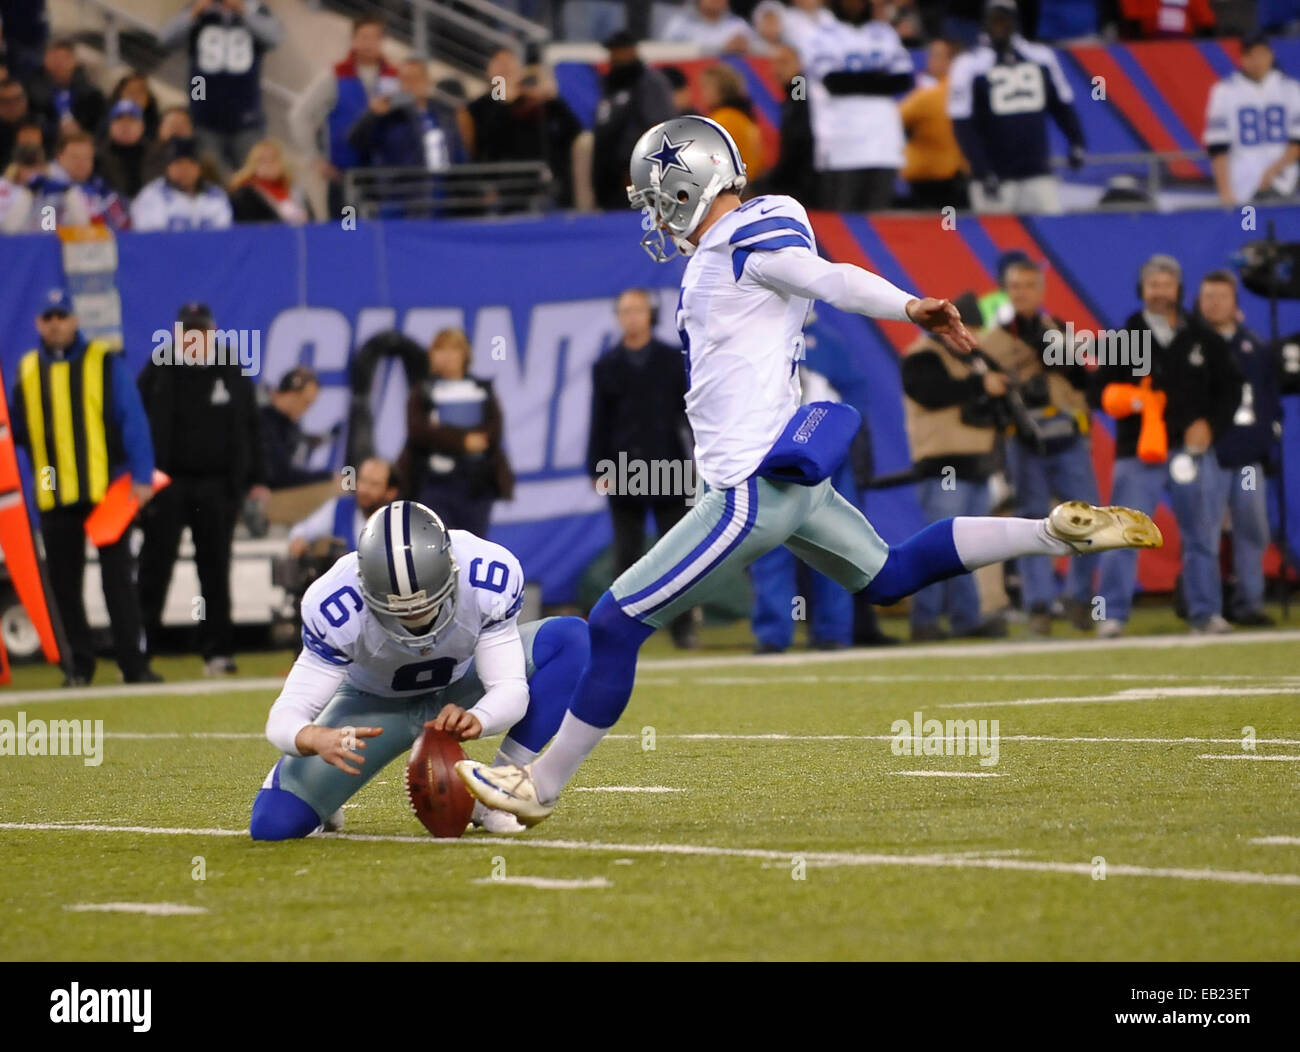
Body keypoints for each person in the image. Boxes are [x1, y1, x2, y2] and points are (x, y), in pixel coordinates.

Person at [458, 115, 1162, 826]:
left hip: (746, 492)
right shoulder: (756, 227)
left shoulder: (740, 240)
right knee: (888, 574)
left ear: (684, 188)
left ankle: (534, 786)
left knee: (612, 625)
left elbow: (826, 278)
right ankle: (1052, 533)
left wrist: (908, 305)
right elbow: (815, 274)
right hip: (793, 484)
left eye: (656, 196)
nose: (653, 213)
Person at [249, 501, 591, 839]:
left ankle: (500, 790)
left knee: (571, 640)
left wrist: (480, 717)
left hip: (461, 681)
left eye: (427, 603)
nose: (416, 618)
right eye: (398, 609)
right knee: (273, 824)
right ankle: (325, 796)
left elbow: (510, 688)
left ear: (452, 570)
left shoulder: (485, 572)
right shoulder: (335, 603)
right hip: (374, 708)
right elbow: (286, 712)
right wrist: (311, 737)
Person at [9, 289, 159, 686]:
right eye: (49, 317)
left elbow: (132, 419)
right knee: (62, 586)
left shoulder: (103, 361)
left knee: (118, 582)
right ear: (39, 323)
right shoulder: (26, 369)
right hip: (55, 497)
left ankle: (133, 664)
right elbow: (15, 433)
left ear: (75, 320)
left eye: (62, 316)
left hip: (105, 492)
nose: (56, 323)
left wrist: (142, 476)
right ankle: (77, 665)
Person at [1094, 255, 1242, 637]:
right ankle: (1111, 615)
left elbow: (1230, 389)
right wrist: (1134, 400)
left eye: (1167, 285)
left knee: (1202, 537)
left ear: (1179, 289)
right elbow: (1098, 391)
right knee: (1122, 534)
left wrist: (1211, 426)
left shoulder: (1202, 336)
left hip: (1191, 452)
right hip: (1138, 452)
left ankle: (1206, 613)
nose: (1160, 292)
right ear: (1142, 290)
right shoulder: (1126, 336)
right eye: (1153, 285)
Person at [137, 302, 268, 674]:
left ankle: (217, 651)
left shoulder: (230, 369)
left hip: (216, 487)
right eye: (188, 331)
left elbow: (250, 427)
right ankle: (140, 651)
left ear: (212, 332)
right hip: (167, 485)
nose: (195, 338)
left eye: (201, 331)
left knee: (214, 570)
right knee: (153, 568)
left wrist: (257, 479)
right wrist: (139, 477)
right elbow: (134, 425)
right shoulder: (159, 369)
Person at [980, 259, 1099, 635]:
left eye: (1029, 285)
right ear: (1006, 290)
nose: (1022, 292)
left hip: (1067, 434)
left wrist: (1056, 350)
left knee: (1088, 519)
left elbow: (1082, 379)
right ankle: (1039, 606)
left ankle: (1078, 596)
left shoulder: (1058, 329)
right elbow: (985, 401)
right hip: (1024, 440)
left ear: (1041, 289)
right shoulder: (993, 341)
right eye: (1015, 286)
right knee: (1032, 523)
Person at [587, 289, 695, 649]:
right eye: (624, 311)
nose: (631, 317)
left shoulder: (671, 360)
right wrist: (596, 467)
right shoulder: (607, 365)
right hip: (622, 468)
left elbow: (691, 416)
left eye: (637, 310)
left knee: (677, 552)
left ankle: (683, 628)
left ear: (650, 314)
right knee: (627, 556)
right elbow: (599, 421)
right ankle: (624, 631)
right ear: (618, 316)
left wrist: (698, 460)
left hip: (669, 466)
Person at [900, 310, 1006, 641]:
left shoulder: (976, 358)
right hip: (943, 466)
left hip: (978, 465)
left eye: (973, 330)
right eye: (964, 329)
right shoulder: (922, 356)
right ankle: (925, 620)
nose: (968, 337)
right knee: (940, 546)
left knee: (970, 551)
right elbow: (931, 394)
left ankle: (967, 619)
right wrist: (980, 384)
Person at [1197, 270, 1280, 626]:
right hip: (1209, 455)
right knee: (1204, 532)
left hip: (1246, 458)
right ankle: (1208, 607)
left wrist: (1267, 446)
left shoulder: (1254, 346)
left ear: (1235, 303)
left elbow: (1268, 401)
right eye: (1208, 297)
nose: (1215, 304)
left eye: (1222, 297)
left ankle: (1248, 602)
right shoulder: (1192, 344)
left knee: (1251, 529)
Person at [948, 0, 1085, 215]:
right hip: (995, 176)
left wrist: (1077, 141)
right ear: (985, 22)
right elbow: (962, 124)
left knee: (1048, 232)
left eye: (1004, 21)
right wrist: (983, 170)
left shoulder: (1041, 57)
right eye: (995, 21)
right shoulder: (969, 64)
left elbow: (1061, 105)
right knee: (999, 242)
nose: (999, 27)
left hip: (1037, 172)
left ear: (1015, 22)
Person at [794, 0, 913, 211]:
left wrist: (856, 78)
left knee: (881, 224)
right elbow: (835, 82)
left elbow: (903, 80)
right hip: (841, 144)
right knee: (842, 224)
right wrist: (878, 77)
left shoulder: (884, 32)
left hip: (884, 142)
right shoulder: (819, 33)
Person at [404, 328, 514, 538]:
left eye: (454, 349)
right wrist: (461, 441)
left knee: (474, 543)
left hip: (476, 483)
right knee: (439, 540)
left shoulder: (482, 389)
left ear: (465, 354)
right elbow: (418, 431)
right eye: (441, 349)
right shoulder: (423, 391)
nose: (447, 356)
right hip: (436, 482)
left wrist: (478, 440)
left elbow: (494, 428)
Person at [159, 0, 283, 176]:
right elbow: (165, 39)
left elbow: (274, 38)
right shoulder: (199, 10)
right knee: (213, 178)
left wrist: (242, 11)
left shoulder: (257, 10)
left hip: (247, 119)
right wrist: (194, 12)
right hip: (203, 117)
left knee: (252, 180)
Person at [289, 15, 397, 217]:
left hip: (384, 179)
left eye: (374, 38)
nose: (368, 44)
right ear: (354, 40)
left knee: (381, 236)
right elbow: (300, 114)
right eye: (363, 37)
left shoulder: (395, 77)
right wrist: (315, 158)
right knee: (347, 233)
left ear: (382, 41)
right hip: (344, 179)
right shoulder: (336, 75)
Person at [464, 52, 583, 209]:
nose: (505, 70)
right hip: (507, 185)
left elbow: (573, 131)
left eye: (509, 64)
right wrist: (507, 98)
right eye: (499, 65)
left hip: (548, 182)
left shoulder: (546, 106)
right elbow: (487, 140)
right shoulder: (481, 106)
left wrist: (551, 98)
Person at [1204, 33, 1300, 207]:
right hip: (1242, 182)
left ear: (1270, 55)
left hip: (1285, 181)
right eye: (1251, 55)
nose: (1257, 61)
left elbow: (1297, 141)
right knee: (1249, 230)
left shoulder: (1291, 89)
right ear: (1242, 58)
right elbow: (1218, 147)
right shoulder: (1225, 91)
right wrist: (1225, 191)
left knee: (1286, 232)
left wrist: (1274, 171)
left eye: (1261, 54)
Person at [591, 31, 676, 211]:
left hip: (634, 168)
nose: (612, 56)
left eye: (617, 51)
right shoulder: (611, 83)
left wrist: (632, 158)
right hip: (608, 169)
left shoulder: (649, 81)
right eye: (611, 51)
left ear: (631, 51)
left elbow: (658, 126)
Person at [345, 57, 465, 172]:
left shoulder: (443, 113)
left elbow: (458, 153)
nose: (410, 85)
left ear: (427, 81)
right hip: (403, 189)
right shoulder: (389, 116)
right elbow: (356, 140)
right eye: (405, 79)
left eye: (416, 79)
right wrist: (371, 115)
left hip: (443, 189)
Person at [900, 38, 969, 210]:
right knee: (954, 229)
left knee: (937, 232)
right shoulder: (973, 91)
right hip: (961, 178)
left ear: (952, 61)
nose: (930, 60)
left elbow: (893, 120)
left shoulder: (929, 97)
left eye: (936, 55)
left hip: (931, 181)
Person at [288, 456, 397, 557]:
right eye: (362, 481)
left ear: (390, 492)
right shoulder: (340, 507)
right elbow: (303, 530)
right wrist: (298, 539)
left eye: (374, 484)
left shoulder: (397, 521)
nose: (364, 490)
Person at [130, 135, 232, 230]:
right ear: (168, 168)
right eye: (178, 163)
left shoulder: (217, 196)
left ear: (199, 168)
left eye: (190, 163)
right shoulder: (152, 196)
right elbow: (151, 241)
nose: (185, 169)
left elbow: (224, 238)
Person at [259, 365, 333, 490]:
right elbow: (279, 476)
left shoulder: (290, 427)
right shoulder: (261, 420)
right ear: (291, 394)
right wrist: (328, 478)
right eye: (306, 402)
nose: (306, 409)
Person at [43, 128, 129, 229]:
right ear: (59, 157)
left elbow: (123, 226)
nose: (81, 163)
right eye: (75, 157)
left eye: (86, 158)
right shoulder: (46, 187)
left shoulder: (101, 188)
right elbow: (45, 229)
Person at [698, 64, 765, 181]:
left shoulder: (723, 120)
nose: (702, 94)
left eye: (706, 87)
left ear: (721, 90)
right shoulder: (742, 117)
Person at [26, 36, 105, 136]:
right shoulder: (31, 91)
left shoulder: (91, 94)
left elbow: (99, 123)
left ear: (75, 60)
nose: (59, 63)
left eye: (65, 57)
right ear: (45, 58)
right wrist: (55, 129)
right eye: (55, 57)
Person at [228, 137, 312, 223]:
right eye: (262, 160)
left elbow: (313, 223)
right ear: (253, 164)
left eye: (273, 159)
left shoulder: (297, 192)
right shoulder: (244, 196)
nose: (268, 164)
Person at [97, 99, 150, 199]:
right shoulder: (97, 157)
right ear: (110, 125)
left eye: (131, 120)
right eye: (119, 119)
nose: (125, 125)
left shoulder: (156, 156)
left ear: (142, 126)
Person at [662, 0, 758, 54]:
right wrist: (722, 50)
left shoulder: (739, 26)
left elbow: (758, 52)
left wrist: (746, 49)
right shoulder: (680, 25)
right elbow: (668, 53)